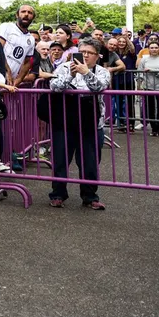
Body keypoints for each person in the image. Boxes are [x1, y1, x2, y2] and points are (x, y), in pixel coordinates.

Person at [47, 37, 110, 209]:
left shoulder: (102, 71)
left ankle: (90, 197)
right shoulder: (64, 67)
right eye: (82, 52)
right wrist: (71, 75)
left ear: (98, 56)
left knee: (90, 162)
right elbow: (54, 86)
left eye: (90, 53)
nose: (86, 56)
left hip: (91, 123)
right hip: (65, 121)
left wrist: (86, 73)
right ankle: (58, 194)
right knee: (60, 159)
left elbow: (99, 87)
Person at [0, 5, 36, 85]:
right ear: (17, 15)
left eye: (30, 13)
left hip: (10, 83)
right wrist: (7, 71)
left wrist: (18, 80)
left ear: (33, 17)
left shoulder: (31, 39)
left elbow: (27, 62)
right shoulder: (6, 27)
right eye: (23, 12)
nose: (26, 14)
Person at [138, 37, 159, 136]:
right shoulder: (144, 59)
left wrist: (153, 71)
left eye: (156, 47)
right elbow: (140, 72)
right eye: (152, 47)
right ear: (148, 49)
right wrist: (139, 85)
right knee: (149, 107)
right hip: (148, 86)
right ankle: (154, 128)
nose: (154, 49)